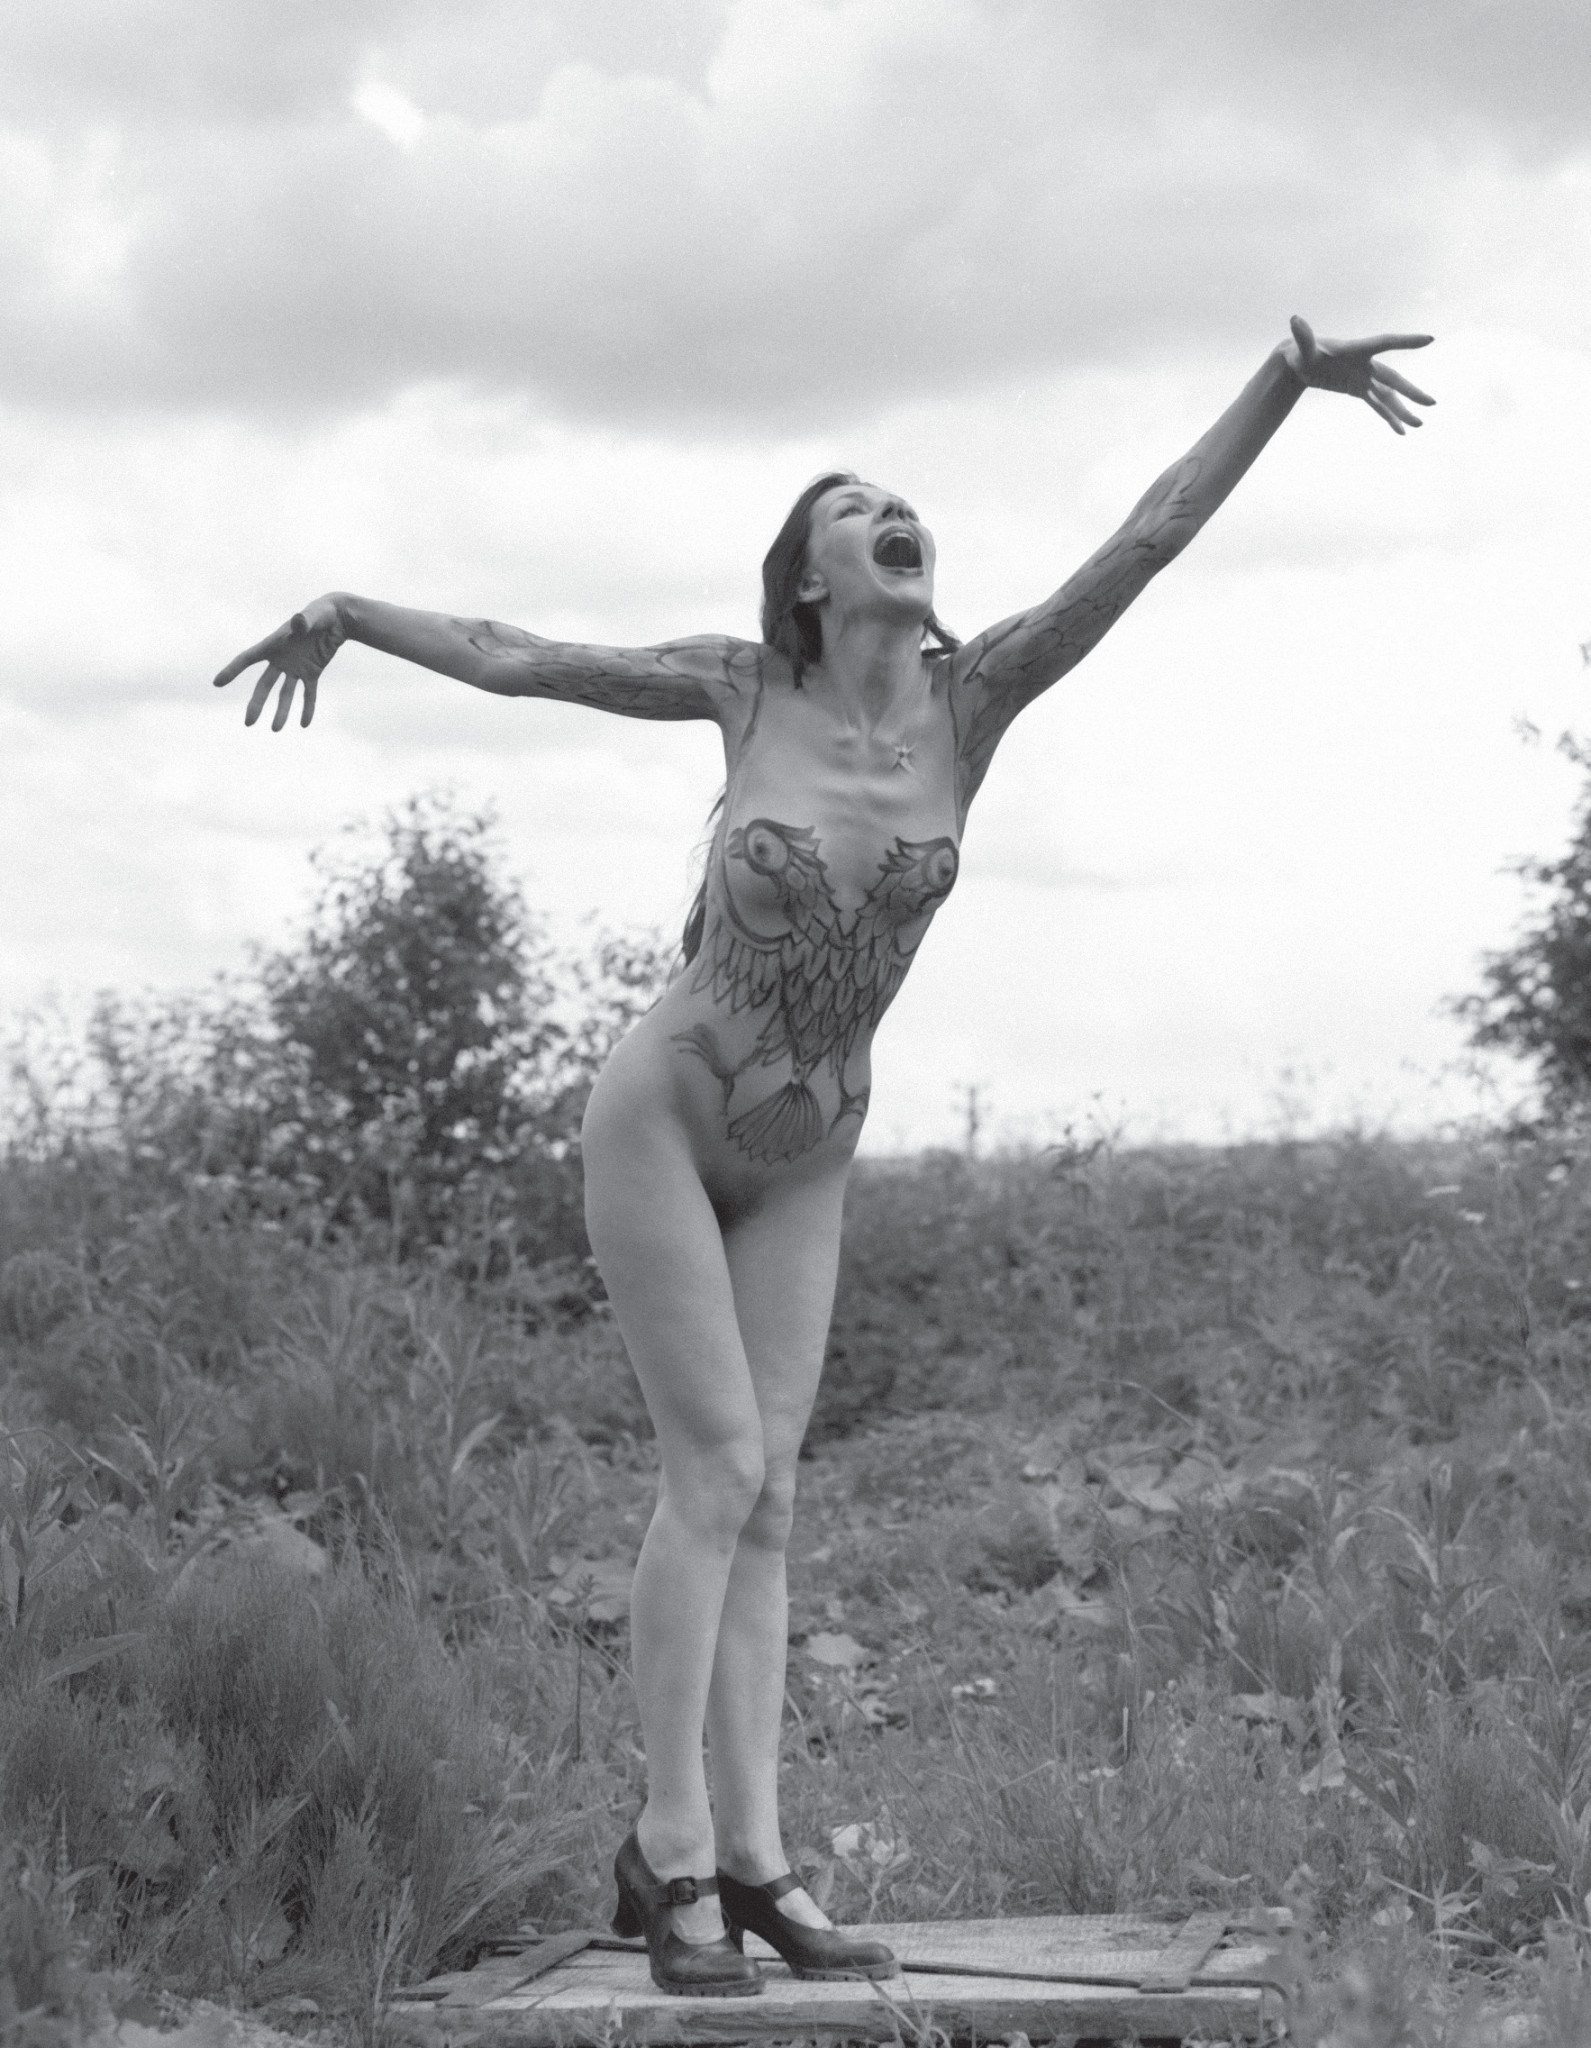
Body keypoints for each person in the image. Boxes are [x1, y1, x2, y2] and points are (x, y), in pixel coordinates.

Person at [214, 315, 1434, 1996]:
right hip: (668, 1114)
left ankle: (760, 1863)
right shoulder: (744, 688)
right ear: (808, 579)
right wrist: (352, 614)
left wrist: (1282, 384)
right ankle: (669, 1851)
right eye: (852, 509)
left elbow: (1147, 538)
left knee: (772, 1500)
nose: (889, 514)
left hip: (811, 1152)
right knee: (715, 1467)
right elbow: (518, 654)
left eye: (898, 502)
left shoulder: (974, 702)